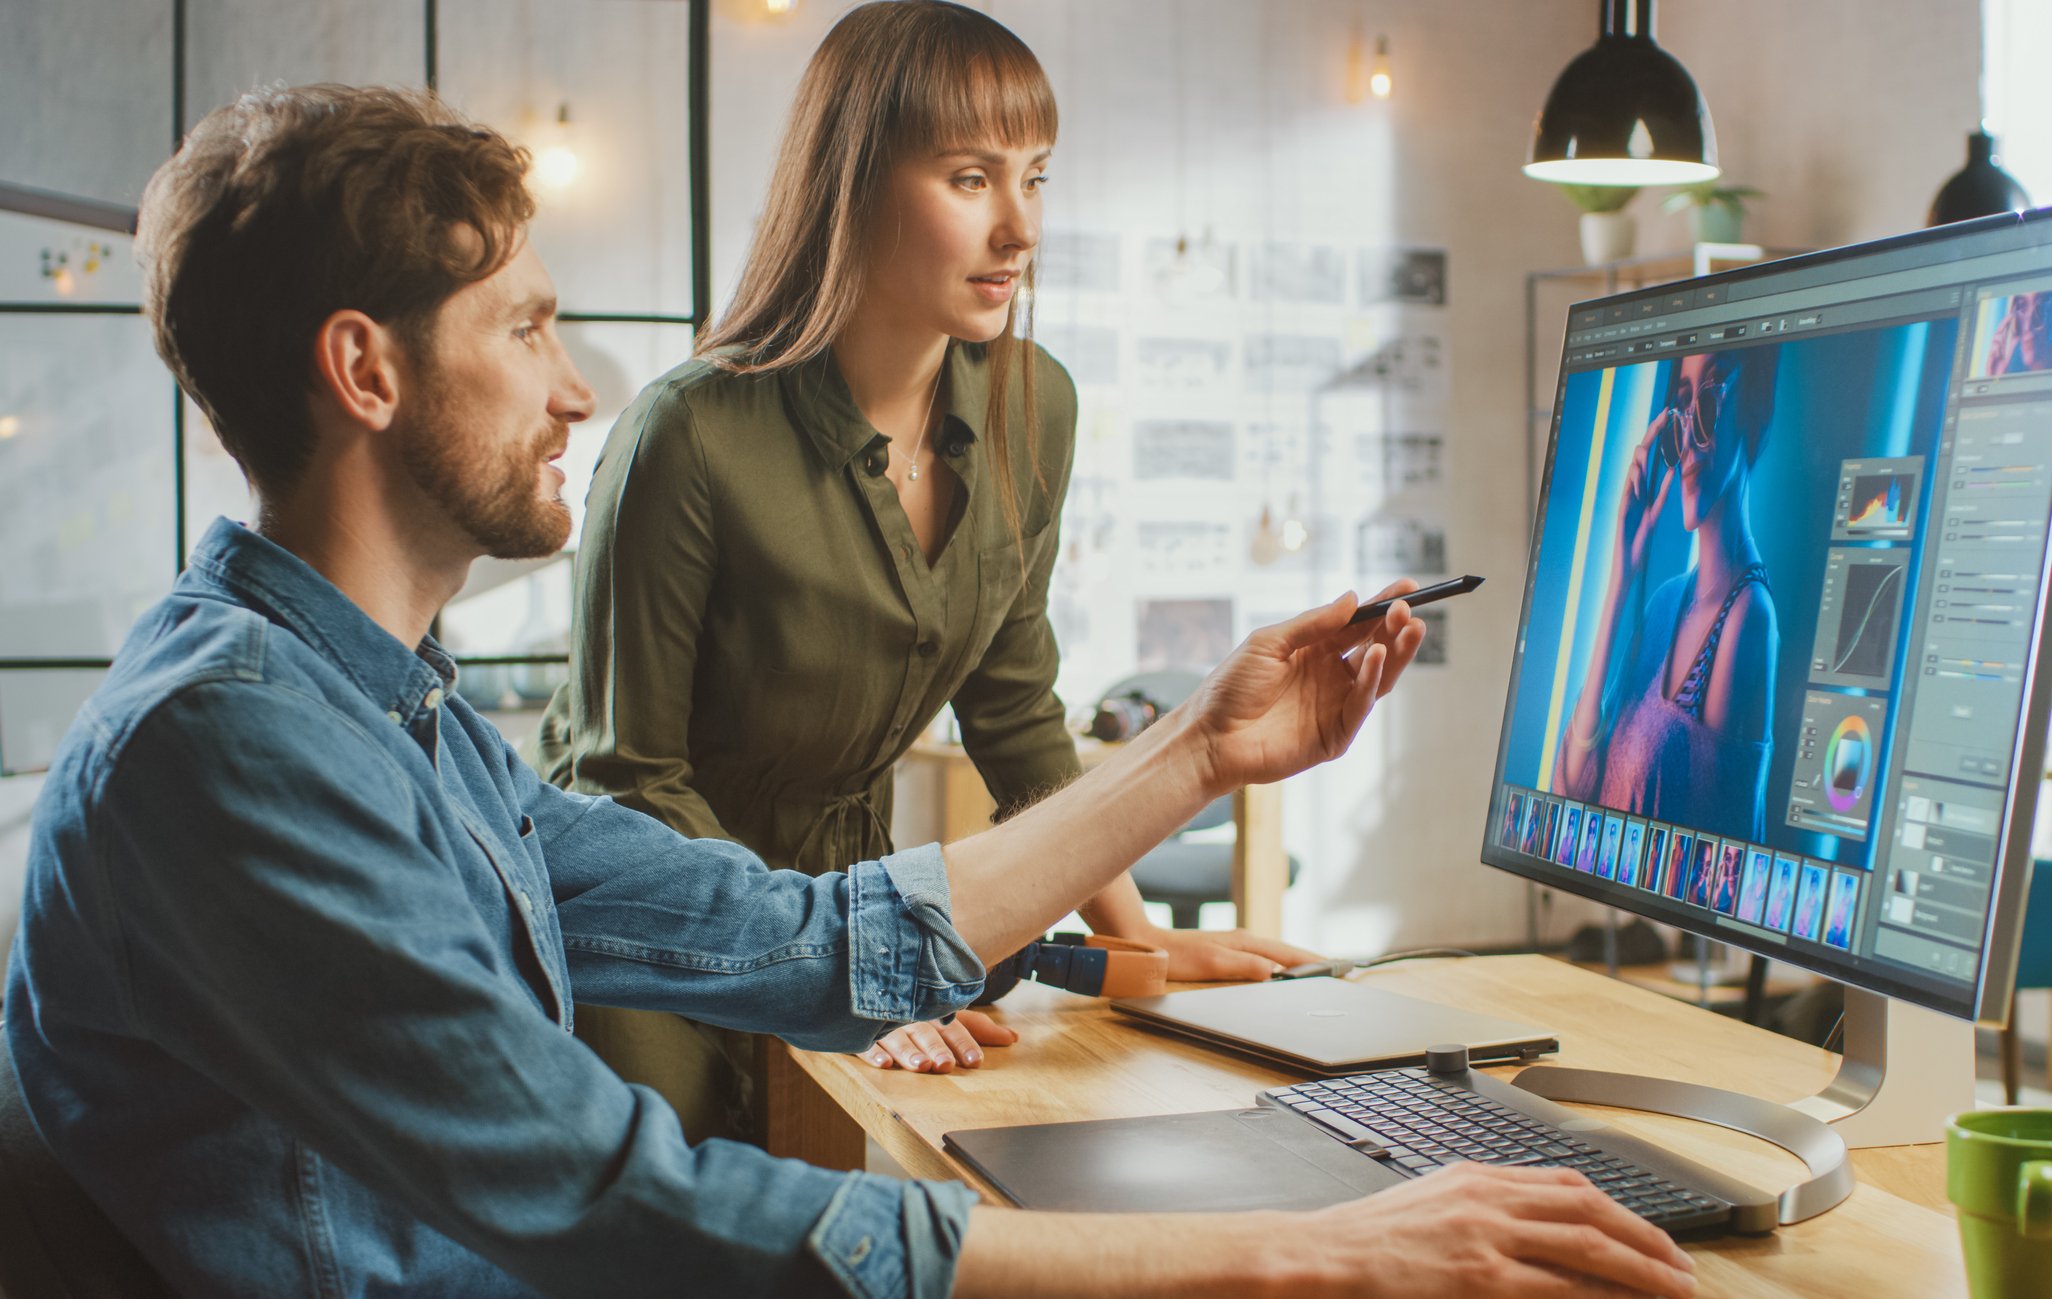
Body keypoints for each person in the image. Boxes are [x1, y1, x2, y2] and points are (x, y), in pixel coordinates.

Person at [5, 84, 1698, 1299]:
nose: (575, 389)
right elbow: (613, 1202)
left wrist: (1199, 749)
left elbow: (800, 935)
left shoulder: (392, 713)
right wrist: (1303, 1253)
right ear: (364, 368)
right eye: (522, 330)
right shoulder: (231, 747)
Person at [534, 1, 1317, 1128]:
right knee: (703, 1187)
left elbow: (1017, 717)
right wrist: (833, 969)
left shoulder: (1032, 404)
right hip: (655, 923)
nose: (1019, 227)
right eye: (969, 179)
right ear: (850, 186)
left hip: (860, 911)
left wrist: (1137, 943)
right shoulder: (688, 433)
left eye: (1034, 178)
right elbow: (628, 777)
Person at [1553, 348, 1781, 842]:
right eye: (1682, 409)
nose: (1692, 441)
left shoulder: (1747, 617)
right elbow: (1570, 790)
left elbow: (1706, 863)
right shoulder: (1663, 603)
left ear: (1753, 407)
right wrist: (1620, 581)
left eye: (1711, 400)